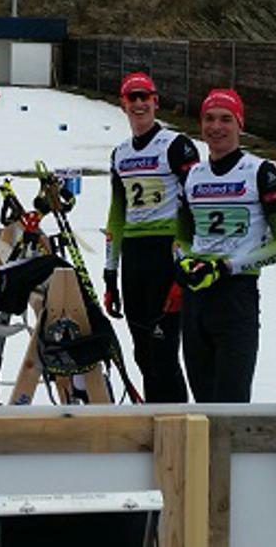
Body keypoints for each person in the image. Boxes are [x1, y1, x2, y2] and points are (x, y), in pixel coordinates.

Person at [175, 88, 276, 402]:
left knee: (231, 403)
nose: (216, 127)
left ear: (240, 124)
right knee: (203, 401)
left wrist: (227, 266)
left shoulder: (261, 172)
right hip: (196, 299)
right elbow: (182, 237)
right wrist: (185, 261)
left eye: (226, 119)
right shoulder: (193, 175)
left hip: (236, 297)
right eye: (209, 118)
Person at [103, 72, 200, 402]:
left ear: (156, 101)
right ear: (123, 104)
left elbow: (195, 205)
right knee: (143, 353)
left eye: (146, 97)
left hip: (166, 253)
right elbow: (117, 212)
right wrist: (109, 272)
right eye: (133, 98)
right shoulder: (119, 154)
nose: (140, 103)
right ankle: (153, 422)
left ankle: (177, 423)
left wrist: (184, 263)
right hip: (133, 255)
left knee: (164, 353)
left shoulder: (176, 145)